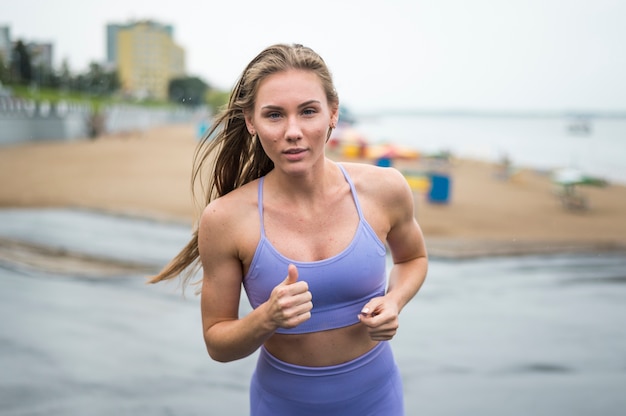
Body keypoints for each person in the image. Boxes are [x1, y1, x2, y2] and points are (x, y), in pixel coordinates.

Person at [149, 43, 428, 415]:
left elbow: (413, 258)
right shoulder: (225, 219)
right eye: (275, 115)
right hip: (281, 404)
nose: (293, 131)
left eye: (308, 111)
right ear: (251, 121)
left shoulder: (385, 189)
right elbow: (217, 343)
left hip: (377, 400)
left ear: (333, 112)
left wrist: (394, 301)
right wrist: (266, 318)